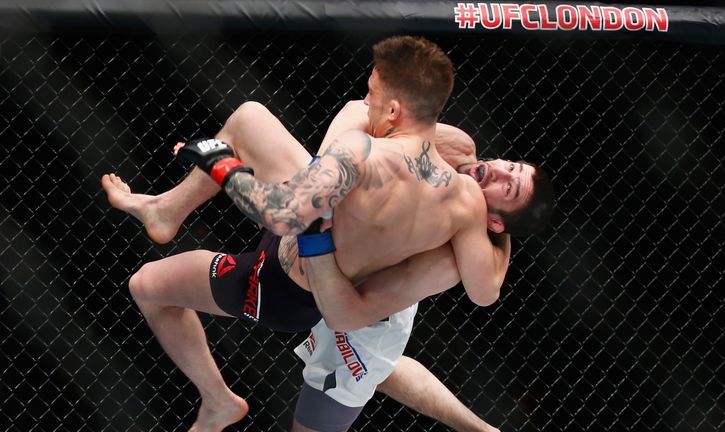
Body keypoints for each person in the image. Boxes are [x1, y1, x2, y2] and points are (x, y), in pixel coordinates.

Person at [102, 36, 553, 431]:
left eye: (506, 186)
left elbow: (287, 221)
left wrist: (220, 163)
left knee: (148, 286)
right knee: (250, 117)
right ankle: (166, 209)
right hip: (323, 226)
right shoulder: (463, 185)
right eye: (506, 165)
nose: (493, 171)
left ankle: (218, 399)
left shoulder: (441, 209)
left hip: (292, 279)